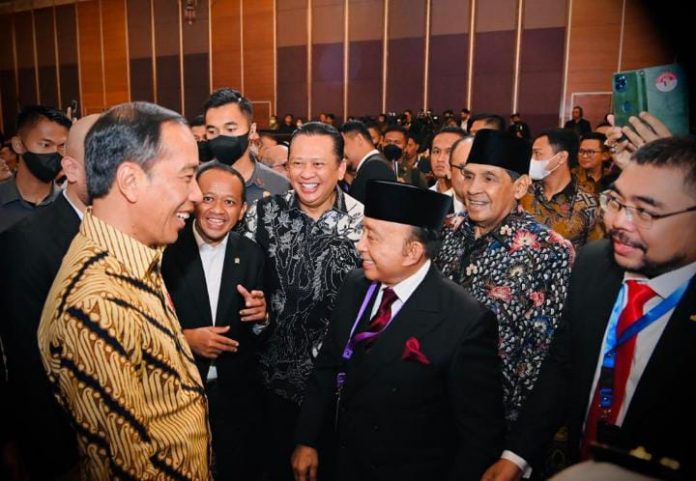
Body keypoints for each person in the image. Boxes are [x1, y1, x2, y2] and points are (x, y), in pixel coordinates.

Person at [481, 136, 696, 481]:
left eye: (645, 211)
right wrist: (517, 454)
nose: (620, 224)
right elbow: (563, 364)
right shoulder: (596, 264)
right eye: (615, 202)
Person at [37, 102, 210, 480]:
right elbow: (123, 470)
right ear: (130, 181)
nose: (198, 194)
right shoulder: (96, 305)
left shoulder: (137, 253)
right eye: (186, 177)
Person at [292, 180, 505, 481]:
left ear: (412, 252)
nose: (360, 245)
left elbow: (479, 434)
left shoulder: (465, 320)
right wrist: (308, 439)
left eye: (372, 237)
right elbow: (327, 367)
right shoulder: (356, 285)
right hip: (343, 461)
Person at [243, 121, 364, 481]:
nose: (305, 174)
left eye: (318, 164)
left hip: (342, 394)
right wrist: (255, 311)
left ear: (341, 168)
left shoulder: (366, 223)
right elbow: (242, 288)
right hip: (271, 384)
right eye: (297, 163)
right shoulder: (263, 215)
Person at [436, 129, 574, 425]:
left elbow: (542, 355)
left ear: (520, 186)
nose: (472, 188)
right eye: (469, 175)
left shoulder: (548, 251)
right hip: (431, 407)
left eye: (489, 178)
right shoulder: (446, 230)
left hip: (496, 418)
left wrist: (515, 445)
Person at [0, 114, 99, 480]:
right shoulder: (26, 241)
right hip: (62, 440)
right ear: (71, 168)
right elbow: (26, 356)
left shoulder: (129, 233)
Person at [162, 162, 267, 481]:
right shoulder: (164, 249)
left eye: (230, 202)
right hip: (176, 395)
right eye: (208, 198)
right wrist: (185, 340)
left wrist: (262, 317)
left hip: (236, 398)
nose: (217, 210)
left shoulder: (251, 253)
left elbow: (261, 334)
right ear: (193, 199)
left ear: (243, 209)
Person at [522, 129, 604, 250]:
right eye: (532, 154)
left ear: (561, 157)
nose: (532, 160)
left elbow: (595, 253)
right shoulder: (523, 194)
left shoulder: (589, 204)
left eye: (538, 154)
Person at [204, 87, 289, 202]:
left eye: (230, 129)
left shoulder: (279, 185)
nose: (221, 137)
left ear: (252, 131)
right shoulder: (195, 182)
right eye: (212, 131)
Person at [0, 105, 71, 233]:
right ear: (18, 145)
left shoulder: (69, 205)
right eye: (45, 145)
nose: (55, 152)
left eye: (61, 146)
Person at [341, 119, 395, 203]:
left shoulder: (375, 168)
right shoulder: (373, 166)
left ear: (359, 139)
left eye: (343, 144)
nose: (342, 152)